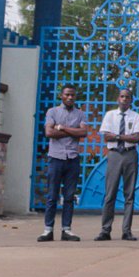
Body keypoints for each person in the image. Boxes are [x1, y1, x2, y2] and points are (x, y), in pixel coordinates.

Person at [95, 88, 139, 241]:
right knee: (110, 194)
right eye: (122, 96)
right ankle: (105, 230)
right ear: (118, 99)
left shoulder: (135, 116)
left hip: (130, 155)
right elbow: (107, 137)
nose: (124, 99)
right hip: (115, 154)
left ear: (131, 100)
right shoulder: (110, 115)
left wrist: (116, 136)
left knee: (129, 194)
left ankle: (126, 231)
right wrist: (123, 137)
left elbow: (137, 138)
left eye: (127, 97)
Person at [40, 86, 88, 242]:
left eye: (72, 95)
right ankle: (48, 230)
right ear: (61, 95)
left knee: (69, 196)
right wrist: (72, 131)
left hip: (72, 159)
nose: (70, 97)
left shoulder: (80, 114)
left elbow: (83, 133)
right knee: (52, 196)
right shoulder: (52, 112)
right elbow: (49, 133)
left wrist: (62, 128)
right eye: (67, 94)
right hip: (55, 158)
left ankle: (66, 230)